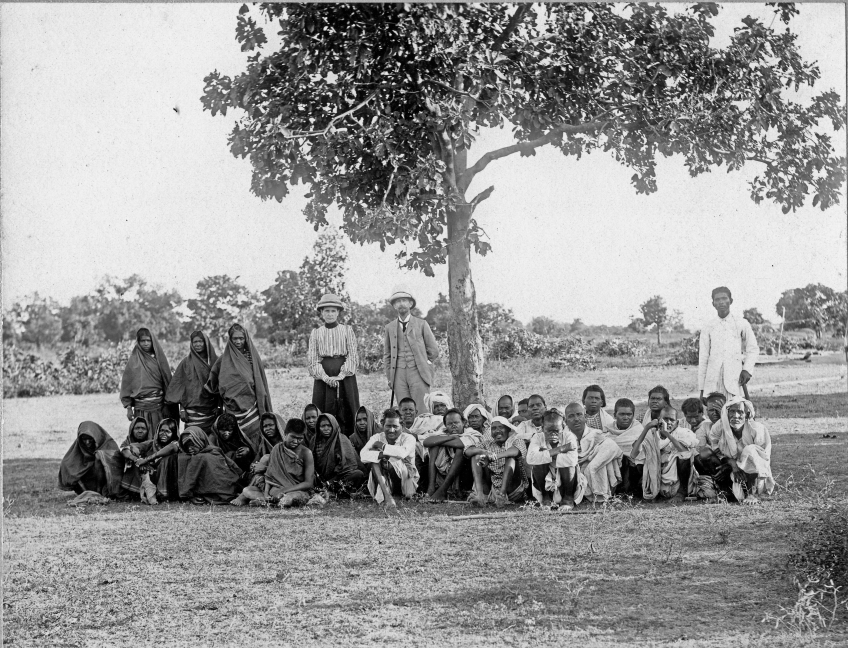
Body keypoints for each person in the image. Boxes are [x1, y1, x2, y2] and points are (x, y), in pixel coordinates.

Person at [204, 323, 273, 455]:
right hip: (231, 408)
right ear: (230, 339)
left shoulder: (251, 358)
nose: (238, 341)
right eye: (235, 338)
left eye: (241, 338)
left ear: (246, 338)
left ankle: (254, 464)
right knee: (232, 440)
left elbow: (259, 380)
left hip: (250, 408)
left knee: (254, 439)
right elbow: (212, 382)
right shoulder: (223, 360)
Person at [307, 294, 361, 436]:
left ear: (338, 312)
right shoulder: (316, 333)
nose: (330, 314)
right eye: (326, 311)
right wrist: (325, 377)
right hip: (324, 375)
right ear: (321, 313)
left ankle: (349, 439)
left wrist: (341, 375)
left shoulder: (347, 330)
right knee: (324, 408)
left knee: (347, 407)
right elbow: (313, 359)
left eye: (333, 311)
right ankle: (326, 439)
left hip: (345, 375)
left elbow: (353, 355)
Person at [234, 419, 316, 508]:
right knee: (247, 490)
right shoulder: (277, 449)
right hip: (275, 490)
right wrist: (266, 494)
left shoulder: (306, 453)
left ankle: (265, 502)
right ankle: (267, 500)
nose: (296, 442)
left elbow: (308, 483)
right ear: (285, 434)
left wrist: (284, 490)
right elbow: (269, 476)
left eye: (300, 438)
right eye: (293, 437)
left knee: (288, 499)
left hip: (295, 490)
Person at [383, 290, 440, 414]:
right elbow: (387, 355)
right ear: (394, 306)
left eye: (404, 300)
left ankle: (423, 433)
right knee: (404, 409)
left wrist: (425, 364)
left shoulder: (421, 324)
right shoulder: (389, 327)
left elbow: (433, 350)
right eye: (398, 301)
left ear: (410, 304)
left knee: (422, 408)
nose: (401, 304)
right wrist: (390, 377)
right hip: (398, 374)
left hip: (418, 372)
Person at [698, 286, 759, 401]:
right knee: (715, 414)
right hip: (713, 380)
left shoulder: (741, 323)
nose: (721, 302)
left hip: (734, 378)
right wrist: (702, 389)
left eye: (724, 298)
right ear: (713, 303)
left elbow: (753, 349)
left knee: (735, 412)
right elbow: (703, 358)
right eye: (717, 300)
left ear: (731, 301)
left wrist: (747, 370)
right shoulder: (708, 327)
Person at [630, 405, 697, 501]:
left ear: (677, 423)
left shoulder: (683, 433)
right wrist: (647, 428)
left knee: (683, 456)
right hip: (658, 479)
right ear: (659, 420)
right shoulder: (652, 434)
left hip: (678, 480)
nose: (668, 422)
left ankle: (681, 493)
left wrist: (667, 434)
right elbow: (633, 454)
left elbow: (685, 453)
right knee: (640, 461)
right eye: (665, 419)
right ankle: (648, 492)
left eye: (672, 420)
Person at [715, 397, 774, 504]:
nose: (736, 416)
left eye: (740, 412)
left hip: (757, 473)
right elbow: (715, 450)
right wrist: (733, 464)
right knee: (739, 496)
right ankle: (726, 491)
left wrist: (742, 465)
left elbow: (762, 458)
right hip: (734, 469)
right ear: (726, 413)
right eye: (732, 411)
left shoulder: (757, 429)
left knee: (750, 450)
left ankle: (753, 493)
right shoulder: (719, 428)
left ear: (747, 414)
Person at [120, 327, 176, 437]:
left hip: (159, 406)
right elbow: (127, 384)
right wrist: (128, 408)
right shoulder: (134, 360)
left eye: (148, 340)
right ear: (138, 342)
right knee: (142, 435)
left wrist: (167, 404)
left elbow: (166, 381)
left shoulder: (159, 359)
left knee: (159, 435)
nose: (146, 343)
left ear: (153, 341)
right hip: (140, 407)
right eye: (142, 341)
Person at [565, 402, 623, 505]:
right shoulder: (562, 437)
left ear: (585, 417)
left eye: (579, 414)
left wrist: (589, 458)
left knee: (605, 458)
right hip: (571, 470)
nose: (576, 419)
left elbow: (613, 447)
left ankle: (602, 495)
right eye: (571, 416)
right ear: (566, 421)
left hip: (590, 467)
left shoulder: (595, 433)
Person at [464, 416, 529, 507]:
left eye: (501, 427)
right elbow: (467, 450)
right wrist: (484, 452)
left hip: (512, 488)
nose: (497, 431)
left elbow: (515, 451)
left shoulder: (516, 440)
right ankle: (480, 495)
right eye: (494, 428)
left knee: (511, 458)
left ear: (508, 429)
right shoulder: (488, 444)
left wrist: (493, 457)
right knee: (477, 456)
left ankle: (502, 496)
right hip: (492, 486)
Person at [360, 409, 419, 507]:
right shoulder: (376, 437)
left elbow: (402, 453)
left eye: (395, 426)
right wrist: (382, 455)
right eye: (388, 426)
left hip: (405, 482)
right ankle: (387, 496)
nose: (391, 430)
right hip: (384, 479)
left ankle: (393, 496)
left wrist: (382, 446)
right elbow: (363, 455)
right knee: (375, 458)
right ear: (383, 425)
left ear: (402, 426)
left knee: (384, 459)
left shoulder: (409, 438)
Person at [422, 407, 483, 501]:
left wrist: (440, 441)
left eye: (456, 422)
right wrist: (450, 437)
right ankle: (431, 487)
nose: (453, 426)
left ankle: (443, 490)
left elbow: (461, 443)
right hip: (445, 471)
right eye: (450, 424)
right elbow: (427, 442)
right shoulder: (443, 433)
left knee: (460, 449)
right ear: (445, 426)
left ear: (463, 423)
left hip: (466, 473)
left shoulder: (472, 433)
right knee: (434, 447)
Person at [165, 330, 219, 432]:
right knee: (192, 441)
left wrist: (219, 405)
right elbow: (179, 387)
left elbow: (221, 385)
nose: (198, 344)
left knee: (212, 442)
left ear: (206, 343)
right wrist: (182, 409)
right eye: (195, 342)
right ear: (191, 343)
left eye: (201, 341)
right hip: (192, 412)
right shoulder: (185, 363)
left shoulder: (215, 362)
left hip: (212, 411)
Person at [526, 408, 579, 509]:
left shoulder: (569, 436)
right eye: (549, 431)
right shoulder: (537, 437)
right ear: (542, 428)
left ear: (563, 427)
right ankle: (546, 498)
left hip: (567, 481)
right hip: (545, 482)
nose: (553, 434)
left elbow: (572, 460)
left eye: (556, 431)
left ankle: (568, 498)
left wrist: (545, 453)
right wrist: (561, 449)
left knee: (567, 463)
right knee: (538, 463)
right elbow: (530, 459)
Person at [176, 426, 243, 505]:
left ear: (200, 440)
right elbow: (236, 468)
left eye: (193, 444)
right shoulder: (214, 450)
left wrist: (186, 496)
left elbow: (190, 479)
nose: (190, 448)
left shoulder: (199, 457)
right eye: (187, 446)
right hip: (231, 490)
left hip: (219, 493)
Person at [59, 421, 124, 498]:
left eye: (90, 439)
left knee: (99, 456)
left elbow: (116, 465)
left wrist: (100, 458)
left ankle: (101, 492)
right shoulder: (79, 445)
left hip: (105, 483)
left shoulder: (108, 443)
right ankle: (86, 492)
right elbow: (68, 462)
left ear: (96, 436)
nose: (87, 442)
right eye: (84, 439)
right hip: (88, 483)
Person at [310, 413, 366, 494]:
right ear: (318, 427)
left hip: (338, 477)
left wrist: (331, 481)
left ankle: (335, 489)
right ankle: (325, 488)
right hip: (320, 478)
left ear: (334, 425)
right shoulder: (314, 441)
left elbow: (348, 467)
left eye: (329, 426)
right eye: (322, 426)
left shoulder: (342, 440)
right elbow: (312, 462)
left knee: (357, 474)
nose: (326, 428)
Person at [603, 398, 644, 498]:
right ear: (614, 415)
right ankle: (618, 490)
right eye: (621, 414)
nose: (625, 417)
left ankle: (635, 490)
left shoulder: (638, 429)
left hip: (636, 468)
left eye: (629, 414)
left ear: (633, 415)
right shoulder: (609, 430)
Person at [133, 419, 181, 503]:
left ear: (173, 434)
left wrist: (146, 459)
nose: (163, 434)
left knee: (168, 459)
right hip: (154, 476)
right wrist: (137, 459)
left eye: (167, 431)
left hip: (170, 481)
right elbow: (130, 447)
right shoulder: (153, 443)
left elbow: (171, 447)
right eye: (161, 430)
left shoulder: (177, 444)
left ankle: (163, 494)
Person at [119, 416, 157, 503]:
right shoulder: (127, 442)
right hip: (133, 470)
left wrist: (145, 462)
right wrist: (137, 460)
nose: (140, 431)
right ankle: (133, 492)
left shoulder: (152, 442)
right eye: (137, 428)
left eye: (143, 428)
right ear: (132, 430)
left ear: (148, 430)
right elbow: (125, 451)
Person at [210, 412, 256, 481]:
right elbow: (213, 461)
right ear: (217, 429)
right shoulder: (212, 440)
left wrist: (248, 451)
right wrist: (233, 455)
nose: (226, 433)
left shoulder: (237, 436)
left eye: (230, 430)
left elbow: (254, 453)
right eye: (223, 430)